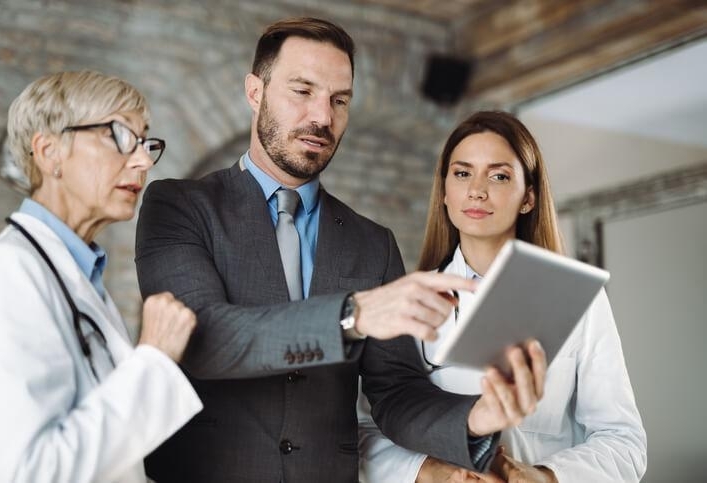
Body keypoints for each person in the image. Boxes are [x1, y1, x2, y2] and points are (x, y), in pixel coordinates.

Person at [135, 17, 548, 483]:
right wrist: (352, 316)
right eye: (302, 91)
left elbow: (395, 391)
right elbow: (204, 337)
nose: (322, 117)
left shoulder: (373, 243)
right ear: (255, 92)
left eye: (339, 100)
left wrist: (474, 418)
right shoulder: (177, 205)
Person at [358, 110, 648, 482]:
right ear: (445, 192)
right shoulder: (407, 299)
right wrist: (428, 472)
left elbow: (623, 440)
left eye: (499, 176)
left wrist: (544, 477)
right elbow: (364, 428)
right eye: (463, 173)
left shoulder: (578, 299)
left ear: (528, 197)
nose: (477, 189)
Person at [0, 70, 203, 482]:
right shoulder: (4, 273)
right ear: (49, 153)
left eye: (144, 142)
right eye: (118, 136)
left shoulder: (82, 278)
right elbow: (30, 472)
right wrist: (154, 359)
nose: (141, 161)